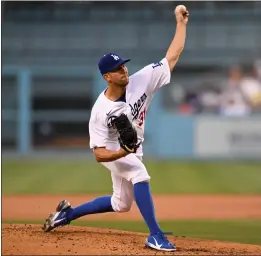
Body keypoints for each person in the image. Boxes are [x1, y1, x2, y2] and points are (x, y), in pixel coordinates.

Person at [43, 4, 189, 252]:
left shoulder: (141, 79)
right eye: (118, 69)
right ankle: (155, 236)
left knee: (121, 203)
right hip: (114, 150)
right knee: (140, 174)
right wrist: (123, 152)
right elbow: (98, 154)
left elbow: (172, 57)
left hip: (130, 149)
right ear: (106, 77)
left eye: (123, 65)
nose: (124, 70)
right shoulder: (100, 111)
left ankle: (66, 215)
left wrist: (181, 24)